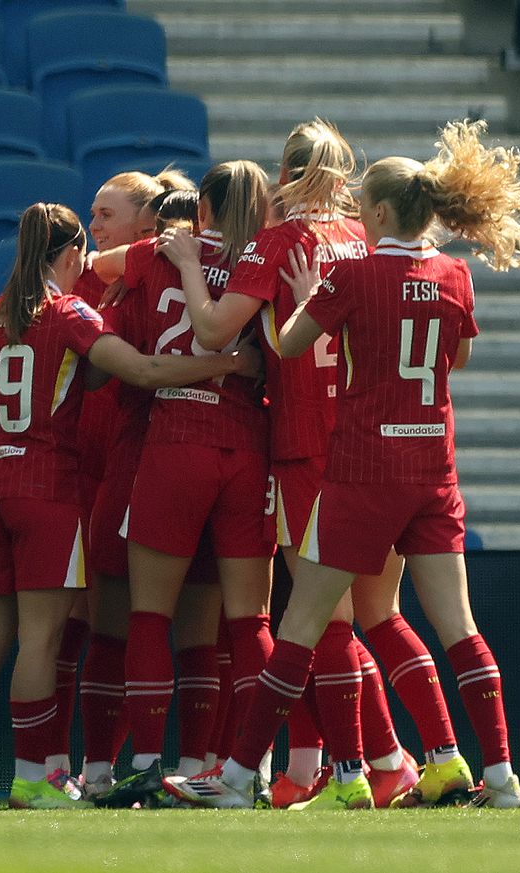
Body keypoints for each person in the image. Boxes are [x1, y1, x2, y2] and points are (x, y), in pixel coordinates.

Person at [165, 119, 520, 810]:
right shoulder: (455, 273)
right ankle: (488, 772)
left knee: (305, 626)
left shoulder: (342, 268)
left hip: (354, 465)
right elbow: (453, 358)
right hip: (433, 470)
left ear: (374, 210)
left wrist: (304, 296)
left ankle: (258, 774)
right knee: (444, 622)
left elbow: (279, 344)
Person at [0, 202, 260, 810]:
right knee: (40, 640)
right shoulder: (69, 313)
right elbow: (141, 369)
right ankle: (33, 779)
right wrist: (225, 362)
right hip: (46, 489)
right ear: (69, 257)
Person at [164, 119, 414, 808]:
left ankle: (362, 767)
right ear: (343, 176)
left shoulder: (279, 242)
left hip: (305, 444)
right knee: (366, 616)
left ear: (287, 169)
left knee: (323, 623)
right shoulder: (364, 240)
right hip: (369, 441)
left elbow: (215, 329)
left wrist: (188, 264)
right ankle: (378, 762)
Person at [90, 161, 276, 808]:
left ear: (202, 207)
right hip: (248, 444)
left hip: (173, 438)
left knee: (149, 614)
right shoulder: (266, 259)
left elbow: (101, 266)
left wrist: (157, 252)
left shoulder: (159, 251)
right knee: (247, 619)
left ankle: (144, 764)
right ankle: (238, 767)